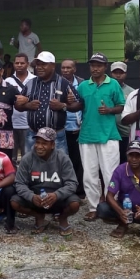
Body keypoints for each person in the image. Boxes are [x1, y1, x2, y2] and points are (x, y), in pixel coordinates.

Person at [75, 53, 125, 221]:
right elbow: (78, 105)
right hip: (87, 135)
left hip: (108, 135)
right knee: (89, 175)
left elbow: (121, 105)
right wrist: (68, 103)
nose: (95, 68)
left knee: (110, 174)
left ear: (105, 67)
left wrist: (110, 110)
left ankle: (111, 207)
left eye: (99, 65)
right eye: (92, 65)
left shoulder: (113, 84)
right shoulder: (83, 86)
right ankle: (94, 207)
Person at [10, 127, 81, 236]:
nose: (39, 146)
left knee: (75, 203)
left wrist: (57, 195)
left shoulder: (63, 158)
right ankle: (38, 216)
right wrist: (31, 196)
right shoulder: (27, 158)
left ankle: (62, 218)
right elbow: (19, 183)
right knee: (14, 202)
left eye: (44, 143)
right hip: (36, 198)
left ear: (52, 145)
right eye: (37, 142)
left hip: (57, 198)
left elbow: (72, 183)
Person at [14, 51, 80, 155]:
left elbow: (79, 104)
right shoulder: (31, 83)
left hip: (56, 137)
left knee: (59, 164)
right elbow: (17, 105)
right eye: (38, 64)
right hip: (33, 135)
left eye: (43, 64)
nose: (39, 67)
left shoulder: (64, 83)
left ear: (53, 66)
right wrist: (28, 105)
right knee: (30, 164)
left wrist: (62, 106)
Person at [60, 59, 85, 199]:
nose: (65, 70)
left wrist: (83, 124)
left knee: (78, 161)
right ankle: (64, 191)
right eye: (63, 68)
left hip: (77, 128)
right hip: (61, 129)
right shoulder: (56, 83)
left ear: (74, 69)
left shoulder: (82, 84)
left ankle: (79, 192)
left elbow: (85, 105)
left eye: (68, 68)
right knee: (63, 161)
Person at [4, 53, 35, 165]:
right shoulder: (7, 81)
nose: (19, 65)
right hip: (11, 124)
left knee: (28, 157)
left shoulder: (35, 80)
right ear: (13, 64)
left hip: (29, 125)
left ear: (27, 64)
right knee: (11, 158)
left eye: (22, 63)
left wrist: (27, 100)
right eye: (17, 63)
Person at [110, 61, 135, 161]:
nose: (118, 75)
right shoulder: (104, 89)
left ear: (126, 74)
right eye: (115, 72)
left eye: (121, 72)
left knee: (124, 160)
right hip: (108, 133)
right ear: (111, 73)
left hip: (125, 133)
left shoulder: (132, 92)